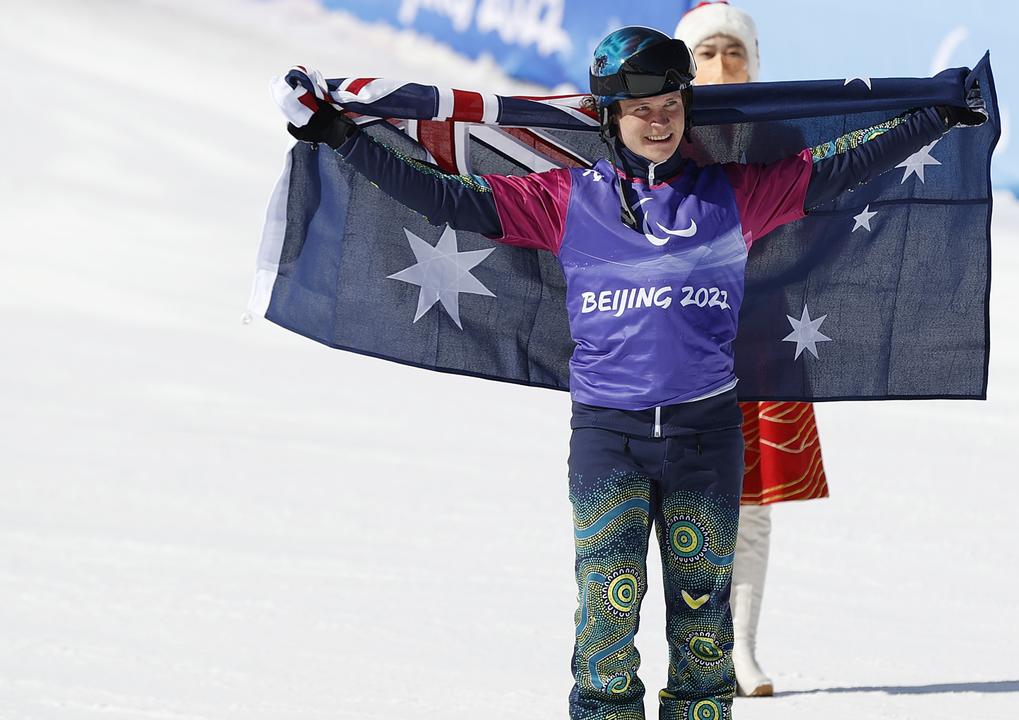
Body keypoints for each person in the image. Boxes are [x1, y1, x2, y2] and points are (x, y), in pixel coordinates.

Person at [285, 25, 983, 720]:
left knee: (703, 633)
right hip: (608, 438)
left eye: (672, 106)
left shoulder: (734, 195)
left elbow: (841, 165)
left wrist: (938, 114)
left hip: (705, 437)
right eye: (642, 109)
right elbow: (450, 198)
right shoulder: (566, 197)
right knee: (606, 626)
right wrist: (338, 135)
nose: (660, 121)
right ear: (611, 116)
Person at [674, 0, 829, 697]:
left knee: (751, 504)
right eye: (706, 53)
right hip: (673, 337)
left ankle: (741, 648)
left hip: (761, 337)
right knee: (676, 498)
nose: (722, 64)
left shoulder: (783, 137)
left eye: (734, 52)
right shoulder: (656, 135)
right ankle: (691, 643)